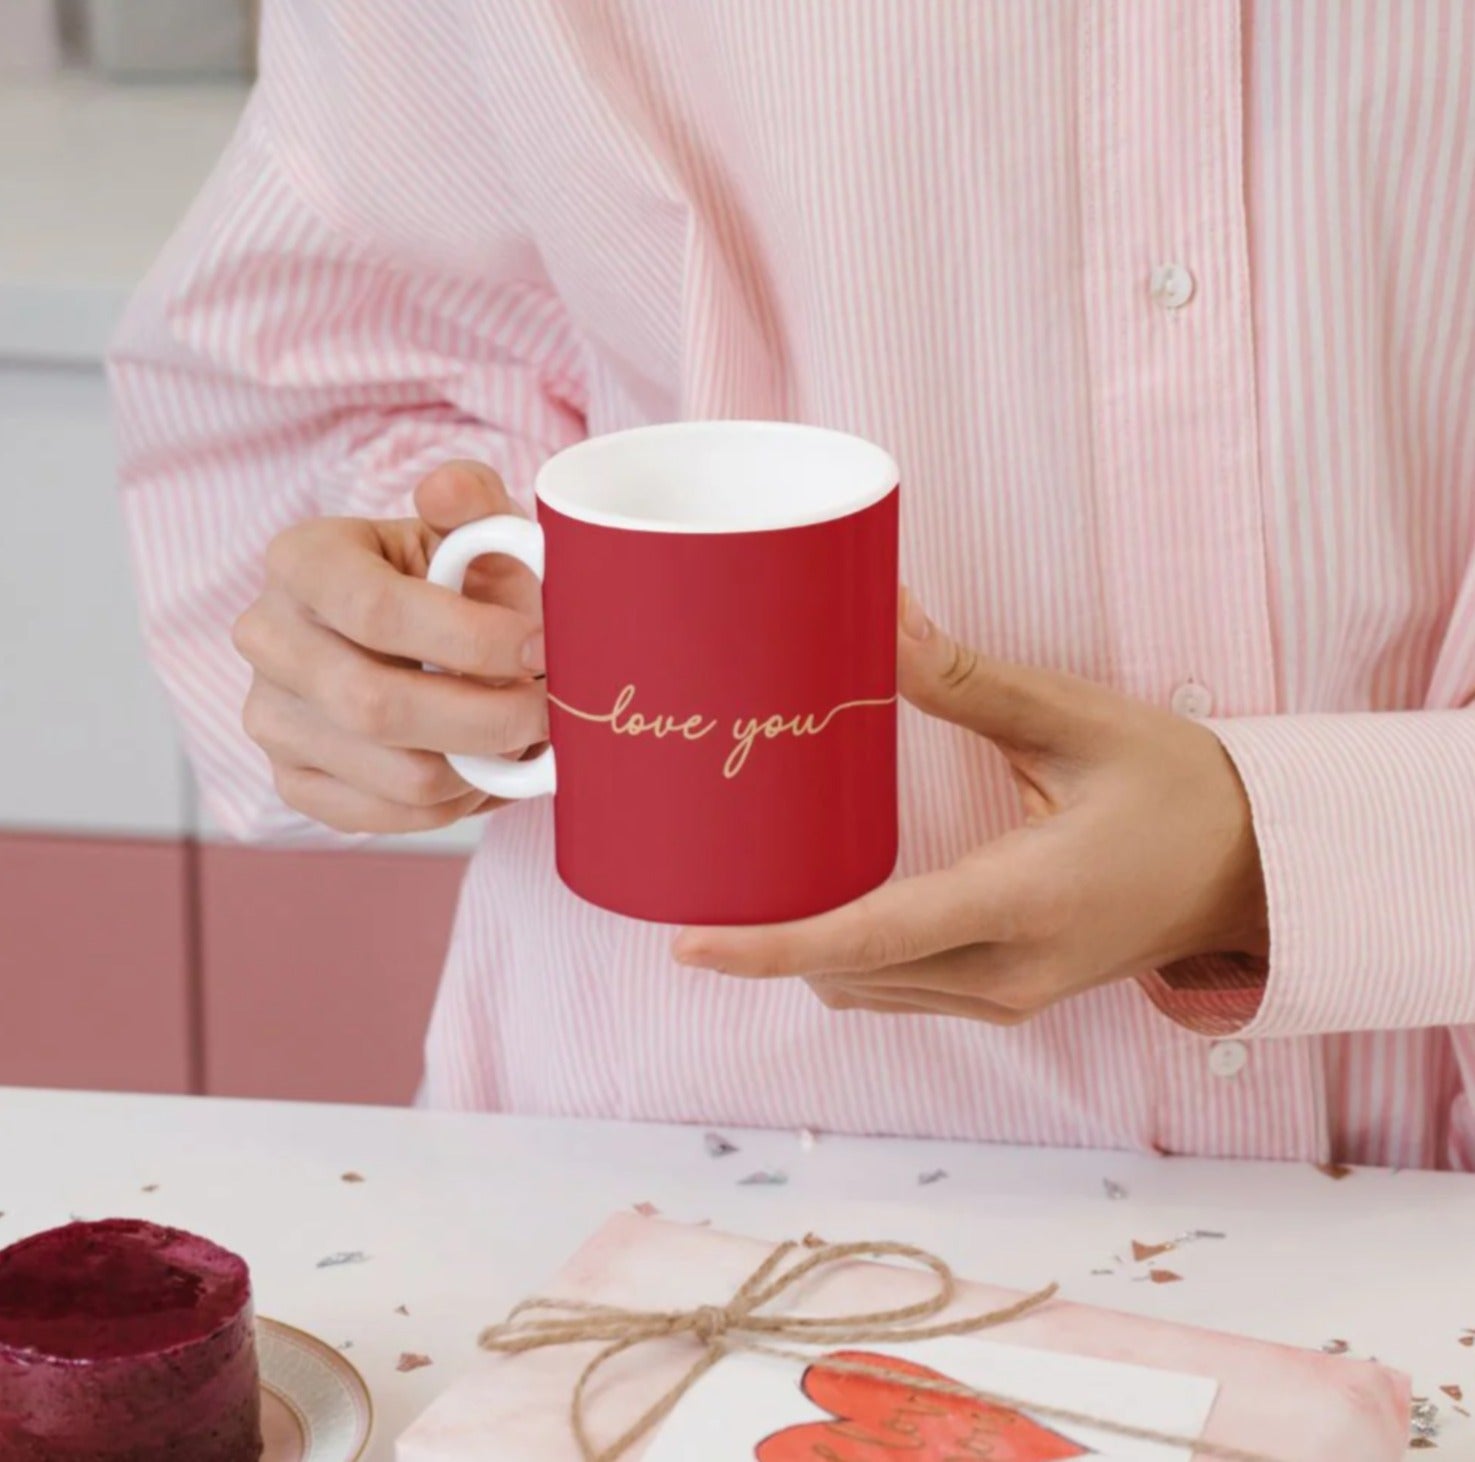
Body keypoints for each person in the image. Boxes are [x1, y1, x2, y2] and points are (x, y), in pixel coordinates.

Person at [110, 2, 1475, 1169]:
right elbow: (322, 372)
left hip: (1424, 1177)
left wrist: (1280, 850)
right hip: (681, 1180)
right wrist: (407, 650)